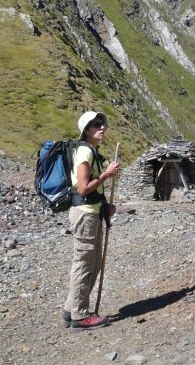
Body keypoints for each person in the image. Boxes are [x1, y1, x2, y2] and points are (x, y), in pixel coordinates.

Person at [62, 110, 119, 329]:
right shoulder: (84, 152)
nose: (102, 128)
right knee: (84, 264)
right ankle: (80, 316)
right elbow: (84, 188)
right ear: (86, 130)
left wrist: (105, 206)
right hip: (85, 214)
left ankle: (71, 309)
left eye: (102, 124)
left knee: (93, 263)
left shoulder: (90, 150)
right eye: (96, 125)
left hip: (92, 212)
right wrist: (106, 174)